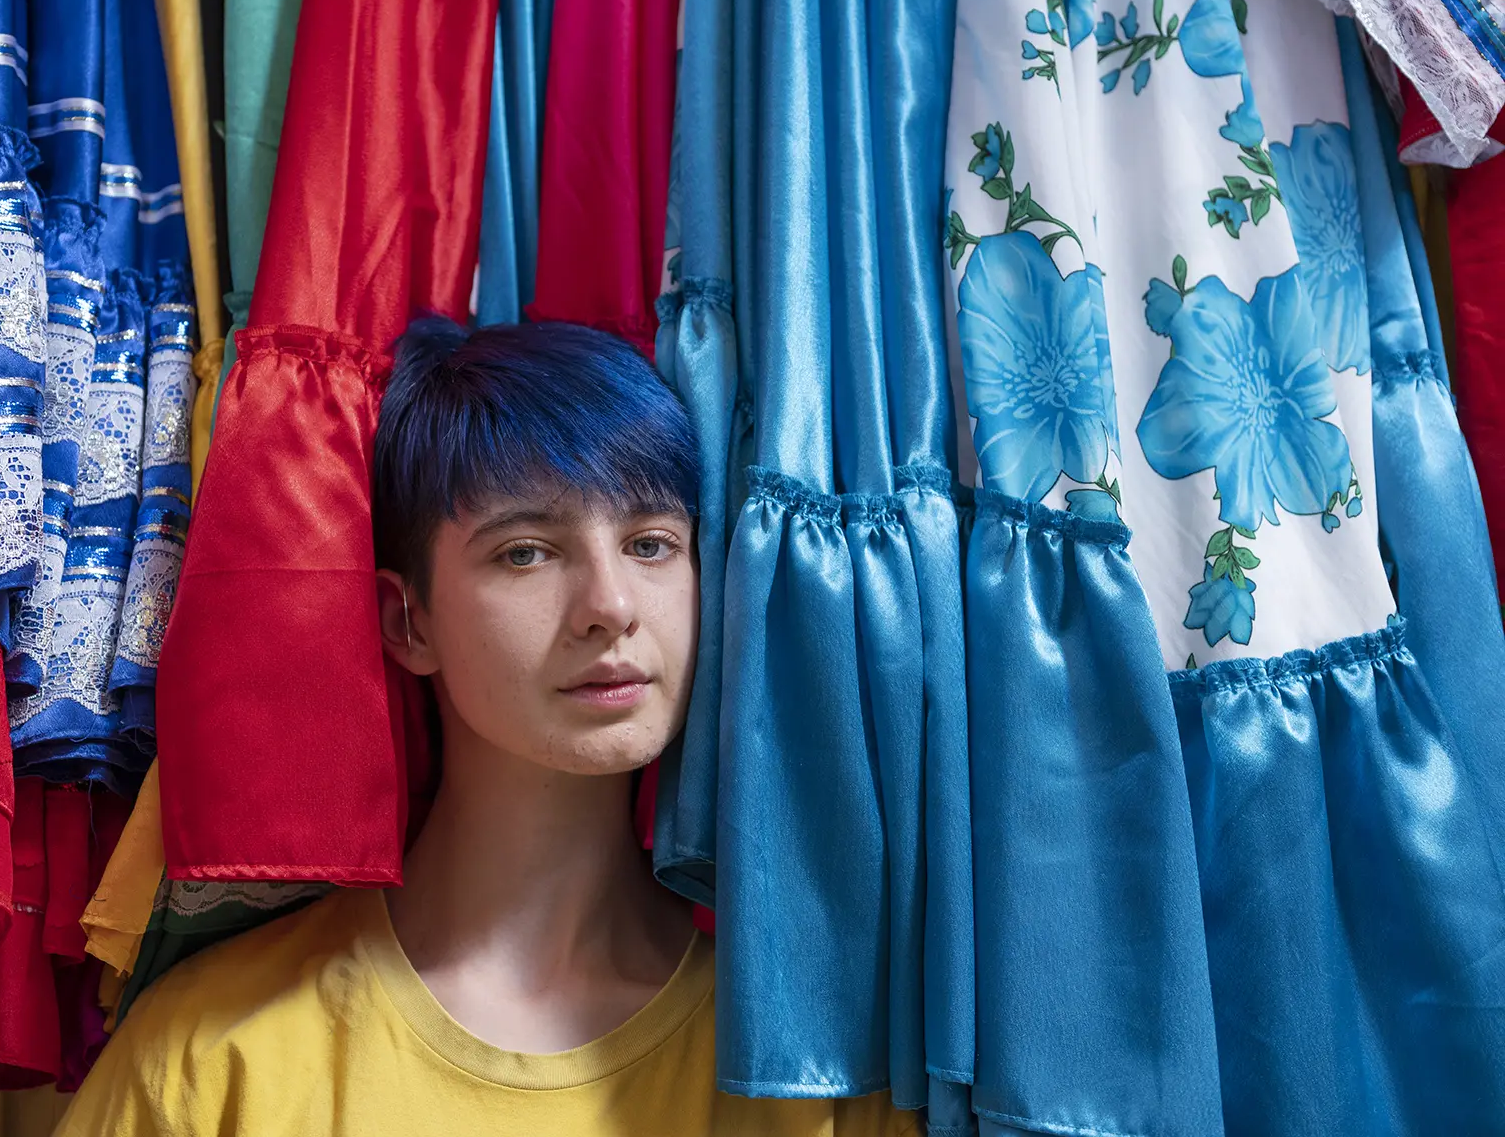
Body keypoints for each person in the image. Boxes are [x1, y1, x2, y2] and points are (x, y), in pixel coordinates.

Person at [59, 317, 913, 1135]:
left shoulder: (816, 1067)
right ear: (408, 622)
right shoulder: (212, 1063)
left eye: (651, 544)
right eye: (526, 552)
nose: (610, 609)